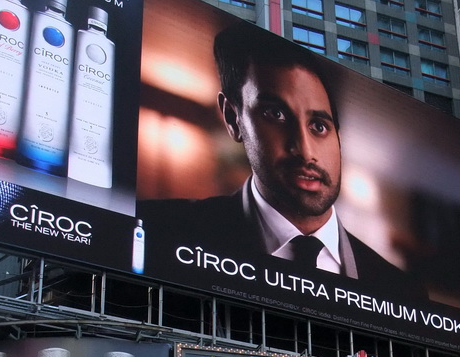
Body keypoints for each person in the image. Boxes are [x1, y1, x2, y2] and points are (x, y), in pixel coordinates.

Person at [137, 23, 417, 294]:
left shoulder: (401, 290)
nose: (305, 152)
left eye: (319, 126)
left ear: (338, 137)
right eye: (276, 115)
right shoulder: (154, 229)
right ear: (233, 119)